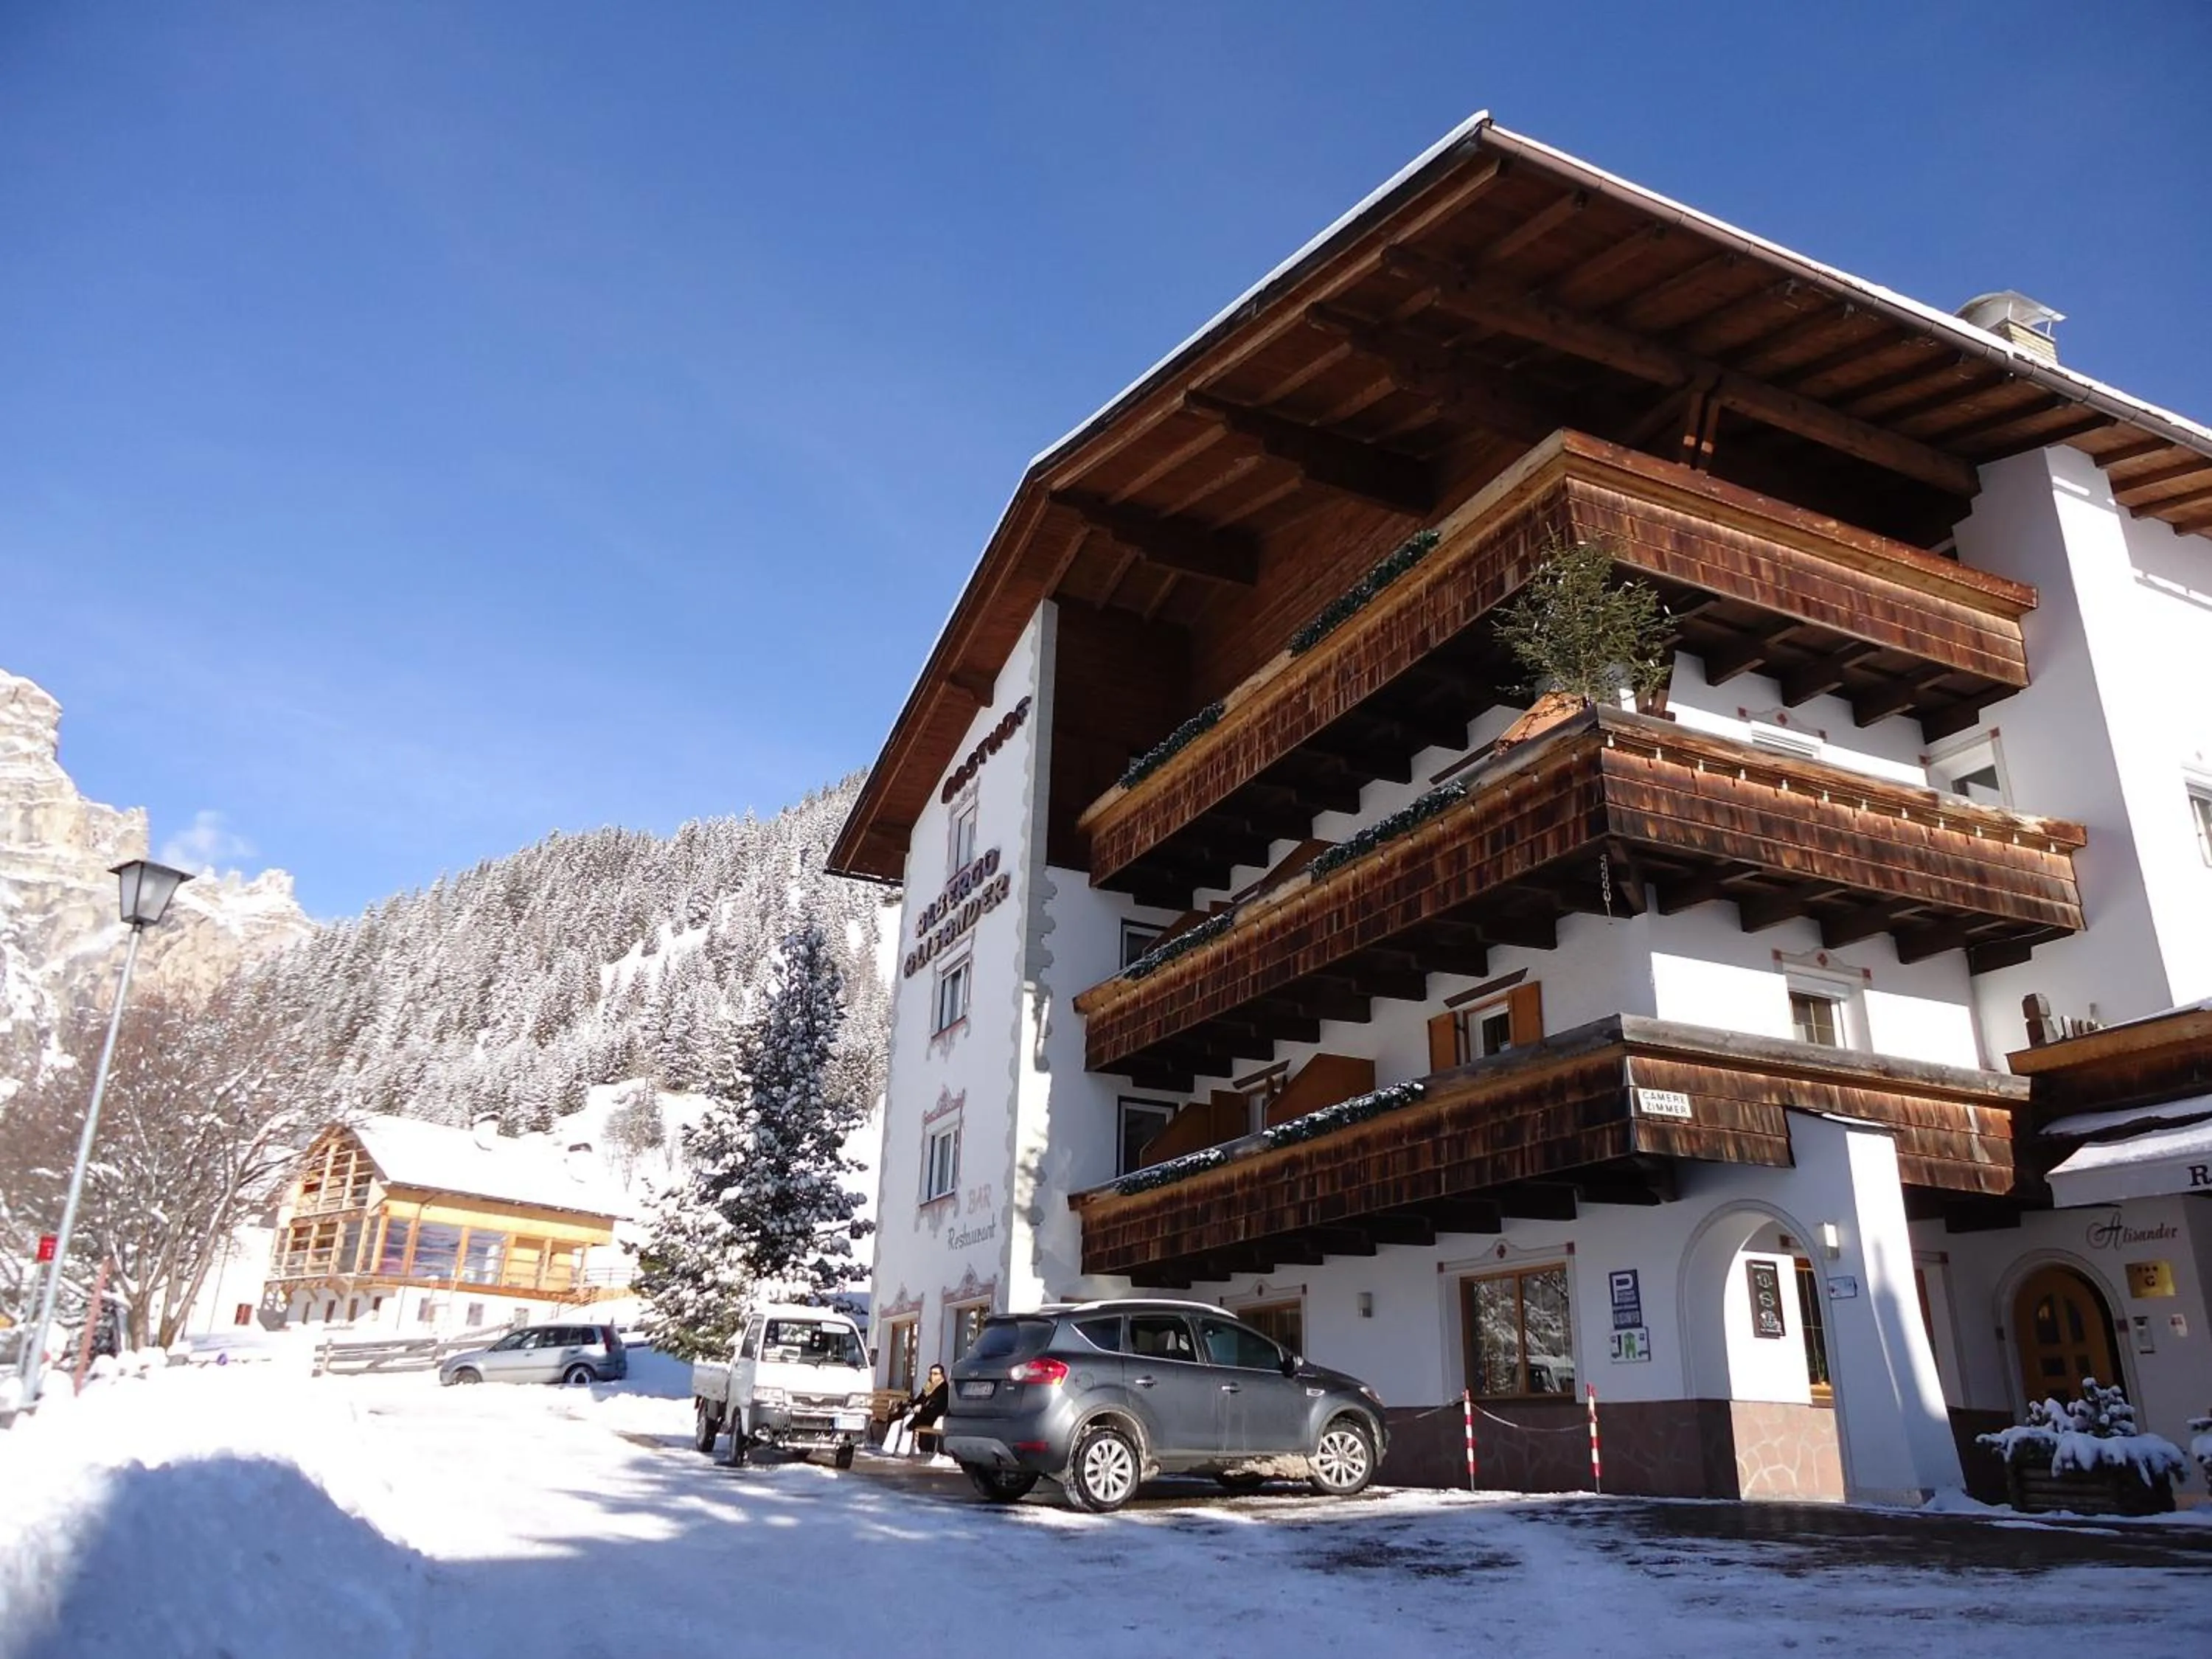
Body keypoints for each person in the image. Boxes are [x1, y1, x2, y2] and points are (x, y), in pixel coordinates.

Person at [906, 1364, 948, 1458]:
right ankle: (891, 1449)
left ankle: (902, 1451)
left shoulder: (944, 1389)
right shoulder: (929, 1386)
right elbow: (920, 1399)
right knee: (900, 1421)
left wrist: (922, 1409)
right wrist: (913, 1406)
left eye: (935, 1374)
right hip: (923, 1415)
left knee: (907, 1421)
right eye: (931, 1373)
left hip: (933, 1417)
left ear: (942, 1375)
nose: (932, 1376)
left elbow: (938, 1407)